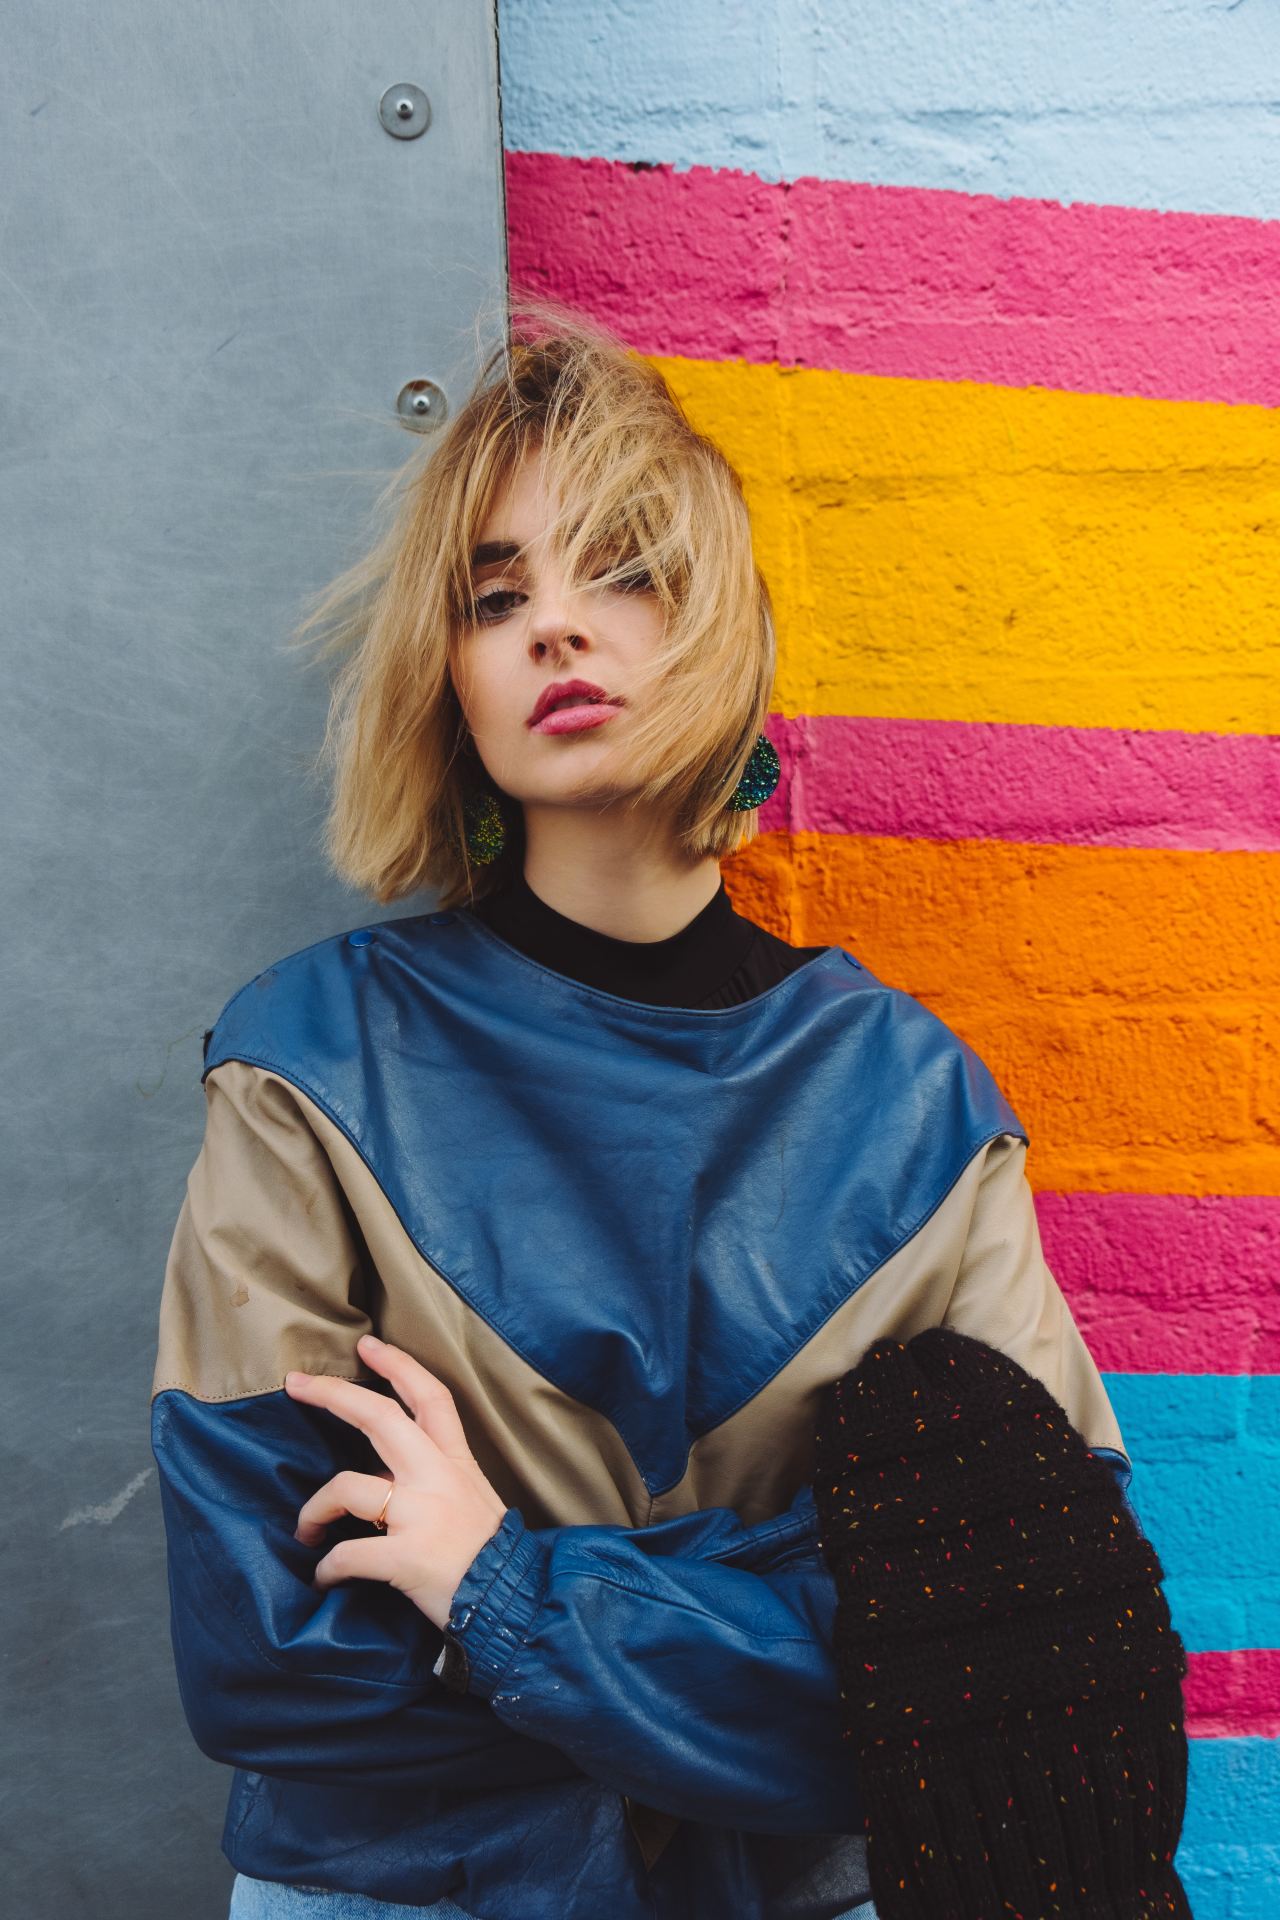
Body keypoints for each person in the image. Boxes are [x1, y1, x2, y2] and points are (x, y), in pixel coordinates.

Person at [149, 296, 1133, 1920]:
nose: (556, 625)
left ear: (721, 632)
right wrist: (788, 1619)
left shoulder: (914, 1105)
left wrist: (495, 1583)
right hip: (405, 1898)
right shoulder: (306, 1062)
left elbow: (1027, 1667)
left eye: (624, 569)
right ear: (446, 674)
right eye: (494, 593)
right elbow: (275, 1661)